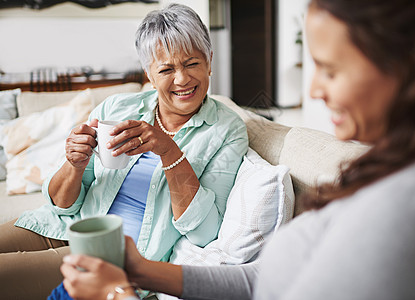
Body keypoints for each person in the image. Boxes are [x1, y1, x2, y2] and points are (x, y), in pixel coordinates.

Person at [57, 0, 415, 299]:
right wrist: (140, 271)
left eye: (331, 69)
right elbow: (256, 281)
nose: (313, 90)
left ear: (405, 67)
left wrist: (118, 292)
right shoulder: (385, 169)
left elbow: (206, 233)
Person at [0, 3, 248, 299]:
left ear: (209, 61)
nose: (182, 79)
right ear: (150, 75)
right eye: (166, 69)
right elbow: (60, 205)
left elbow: (205, 231)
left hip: (106, 256)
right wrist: (74, 164)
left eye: (192, 63)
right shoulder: (117, 108)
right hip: (57, 225)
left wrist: (169, 152)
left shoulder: (227, 130)